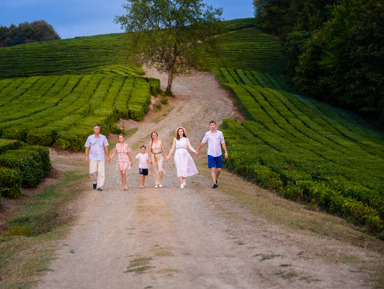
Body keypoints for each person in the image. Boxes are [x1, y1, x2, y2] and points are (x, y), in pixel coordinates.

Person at [195, 120, 228, 189]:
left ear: (215, 125)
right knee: (213, 168)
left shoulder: (220, 133)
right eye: (211, 125)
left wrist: (226, 152)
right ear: (209, 126)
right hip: (210, 153)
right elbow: (203, 142)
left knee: (219, 170)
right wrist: (197, 150)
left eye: (213, 125)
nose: (212, 126)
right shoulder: (207, 134)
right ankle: (215, 183)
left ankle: (215, 179)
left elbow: (223, 142)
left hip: (218, 153)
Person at [85, 124, 110, 191]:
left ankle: (100, 186)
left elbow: (106, 147)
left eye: (98, 129)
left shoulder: (103, 137)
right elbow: (87, 147)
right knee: (92, 172)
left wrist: (107, 156)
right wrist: (86, 156)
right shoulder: (90, 137)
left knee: (101, 172)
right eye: (95, 129)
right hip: (93, 157)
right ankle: (95, 181)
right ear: (93, 130)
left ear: (99, 130)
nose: (97, 130)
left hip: (101, 157)